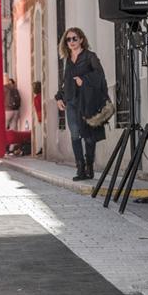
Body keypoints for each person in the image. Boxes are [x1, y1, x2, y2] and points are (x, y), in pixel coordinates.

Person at [55, 27, 108, 182]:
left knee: (89, 135)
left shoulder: (90, 56)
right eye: (68, 39)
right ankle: (80, 168)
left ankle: (89, 166)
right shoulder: (67, 59)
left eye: (74, 38)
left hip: (87, 102)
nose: (71, 42)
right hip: (71, 102)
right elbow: (65, 82)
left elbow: (100, 75)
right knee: (75, 134)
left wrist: (84, 80)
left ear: (81, 40)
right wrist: (59, 97)